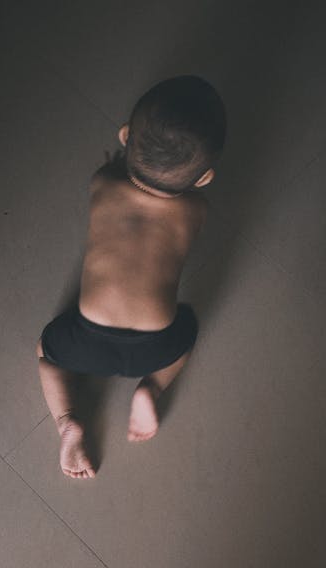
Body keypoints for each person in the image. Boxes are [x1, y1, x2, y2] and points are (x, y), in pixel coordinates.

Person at [36, 75, 226, 479]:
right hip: (155, 345)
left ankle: (68, 420)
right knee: (186, 334)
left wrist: (112, 167)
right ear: (204, 177)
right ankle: (151, 388)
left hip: (87, 336)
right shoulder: (197, 209)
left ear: (124, 136)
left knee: (45, 357)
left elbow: (110, 176)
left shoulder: (103, 183)